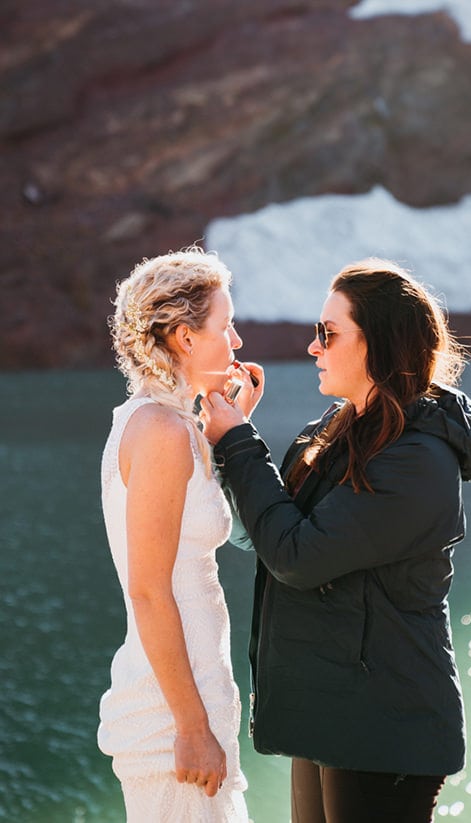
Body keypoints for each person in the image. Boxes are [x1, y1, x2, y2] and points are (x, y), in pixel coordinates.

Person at [200, 259, 471, 823]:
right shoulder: (337, 430)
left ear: (381, 345)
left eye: (328, 333)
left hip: (385, 721)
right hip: (334, 706)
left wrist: (240, 444)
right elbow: (268, 537)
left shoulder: (416, 459)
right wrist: (232, 442)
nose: (314, 347)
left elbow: (298, 557)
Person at [98, 248, 250, 821]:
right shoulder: (160, 430)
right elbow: (149, 591)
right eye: (224, 325)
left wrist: (230, 428)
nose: (235, 341)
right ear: (185, 338)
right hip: (173, 716)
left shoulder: (169, 422)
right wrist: (191, 726)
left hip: (194, 692)